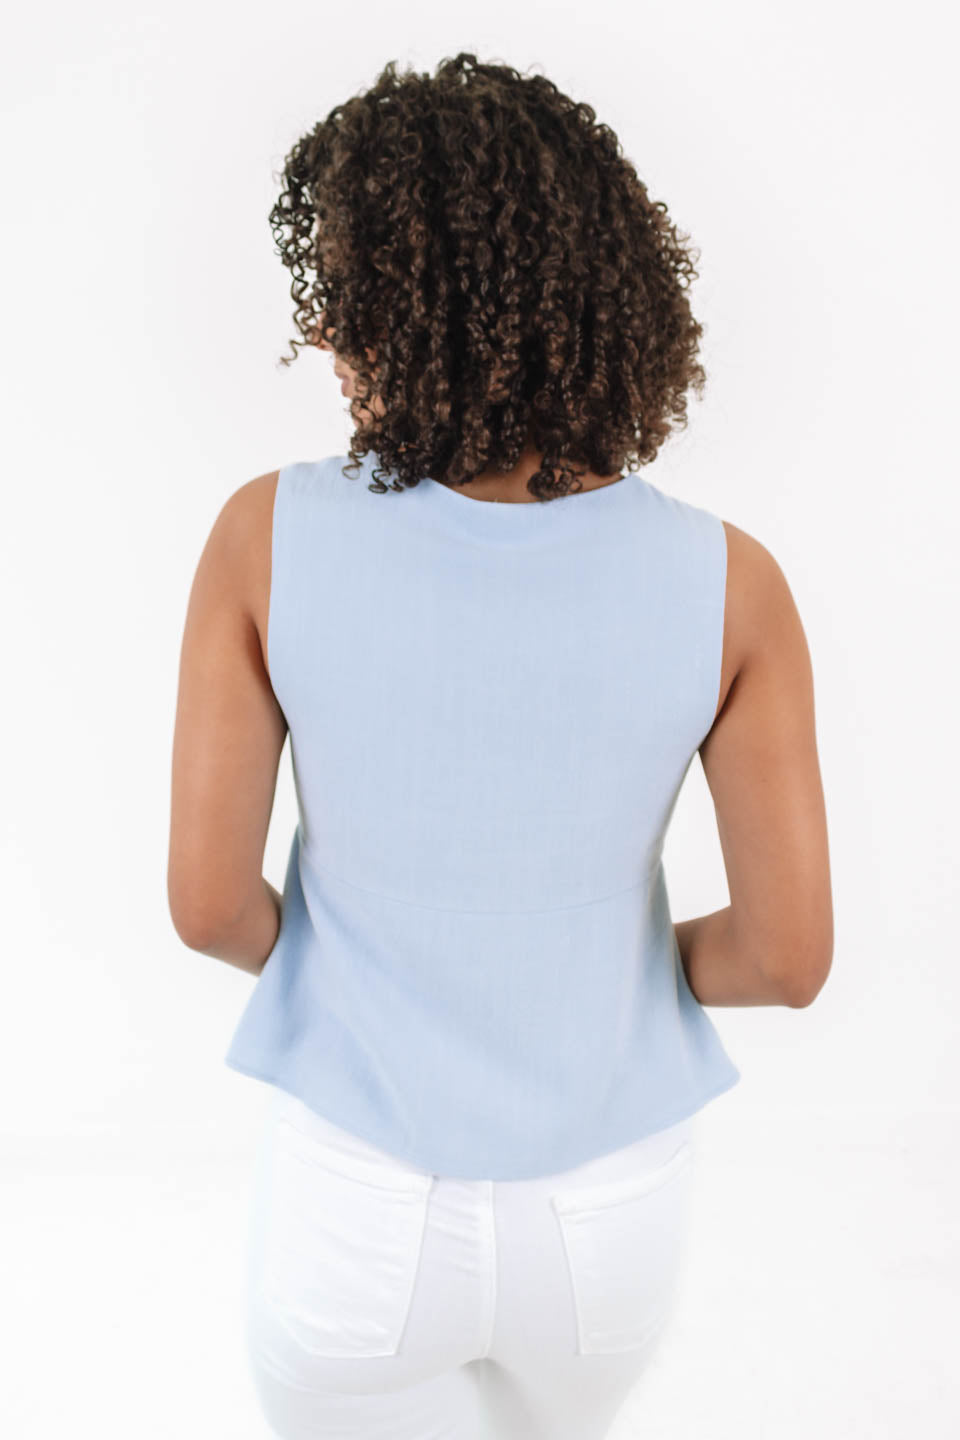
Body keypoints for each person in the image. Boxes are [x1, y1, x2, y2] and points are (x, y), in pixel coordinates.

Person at [168, 51, 833, 1440]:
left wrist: (382, 961)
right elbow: (787, 958)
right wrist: (599, 966)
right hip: (606, 1229)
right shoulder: (732, 584)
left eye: (346, 294)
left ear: (401, 308)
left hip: (355, 1212)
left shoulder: (263, 538)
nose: (328, 334)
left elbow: (210, 906)